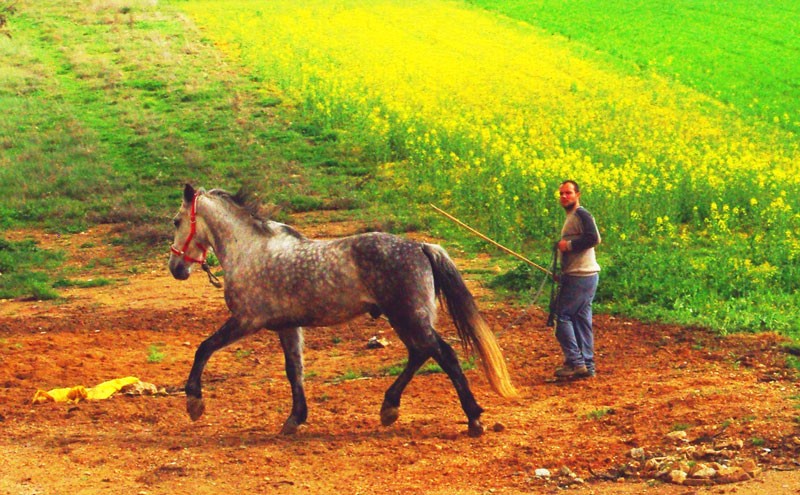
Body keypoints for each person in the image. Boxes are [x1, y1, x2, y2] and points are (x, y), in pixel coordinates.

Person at [552, 180, 601, 379]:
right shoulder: (572, 216)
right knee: (581, 320)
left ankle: (576, 362)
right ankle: (587, 365)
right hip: (581, 275)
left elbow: (593, 238)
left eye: (569, 193)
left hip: (581, 275)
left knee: (562, 316)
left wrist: (567, 246)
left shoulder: (581, 214)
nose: (564, 196)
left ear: (577, 195)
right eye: (562, 193)